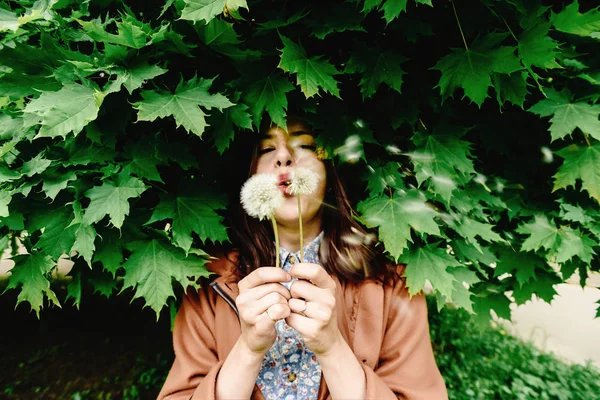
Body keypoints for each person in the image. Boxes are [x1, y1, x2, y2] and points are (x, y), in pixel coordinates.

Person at [158, 118, 448, 399]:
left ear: (330, 170)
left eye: (306, 145)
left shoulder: (393, 282)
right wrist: (247, 350)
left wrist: (332, 347)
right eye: (267, 149)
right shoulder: (207, 282)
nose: (284, 157)